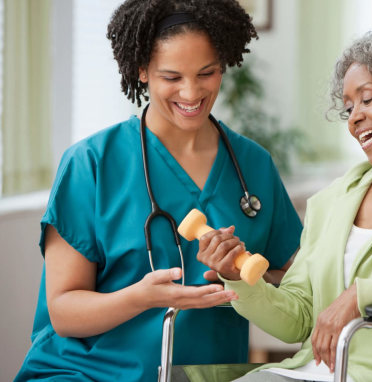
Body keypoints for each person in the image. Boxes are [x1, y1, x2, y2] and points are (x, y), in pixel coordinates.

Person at [14, 1, 303, 381]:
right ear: (142, 71)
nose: (191, 92)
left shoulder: (253, 165)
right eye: (171, 77)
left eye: (207, 72)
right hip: (85, 372)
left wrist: (243, 276)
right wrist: (143, 297)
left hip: (201, 374)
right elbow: (65, 313)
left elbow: (298, 283)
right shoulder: (91, 163)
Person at [185, 26, 372, 382]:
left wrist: (369, 294)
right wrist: (240, 280)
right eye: (349, 108)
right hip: (306, 373)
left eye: (367, 99)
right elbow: (298, 320)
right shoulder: (332, 201)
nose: (354, 118)